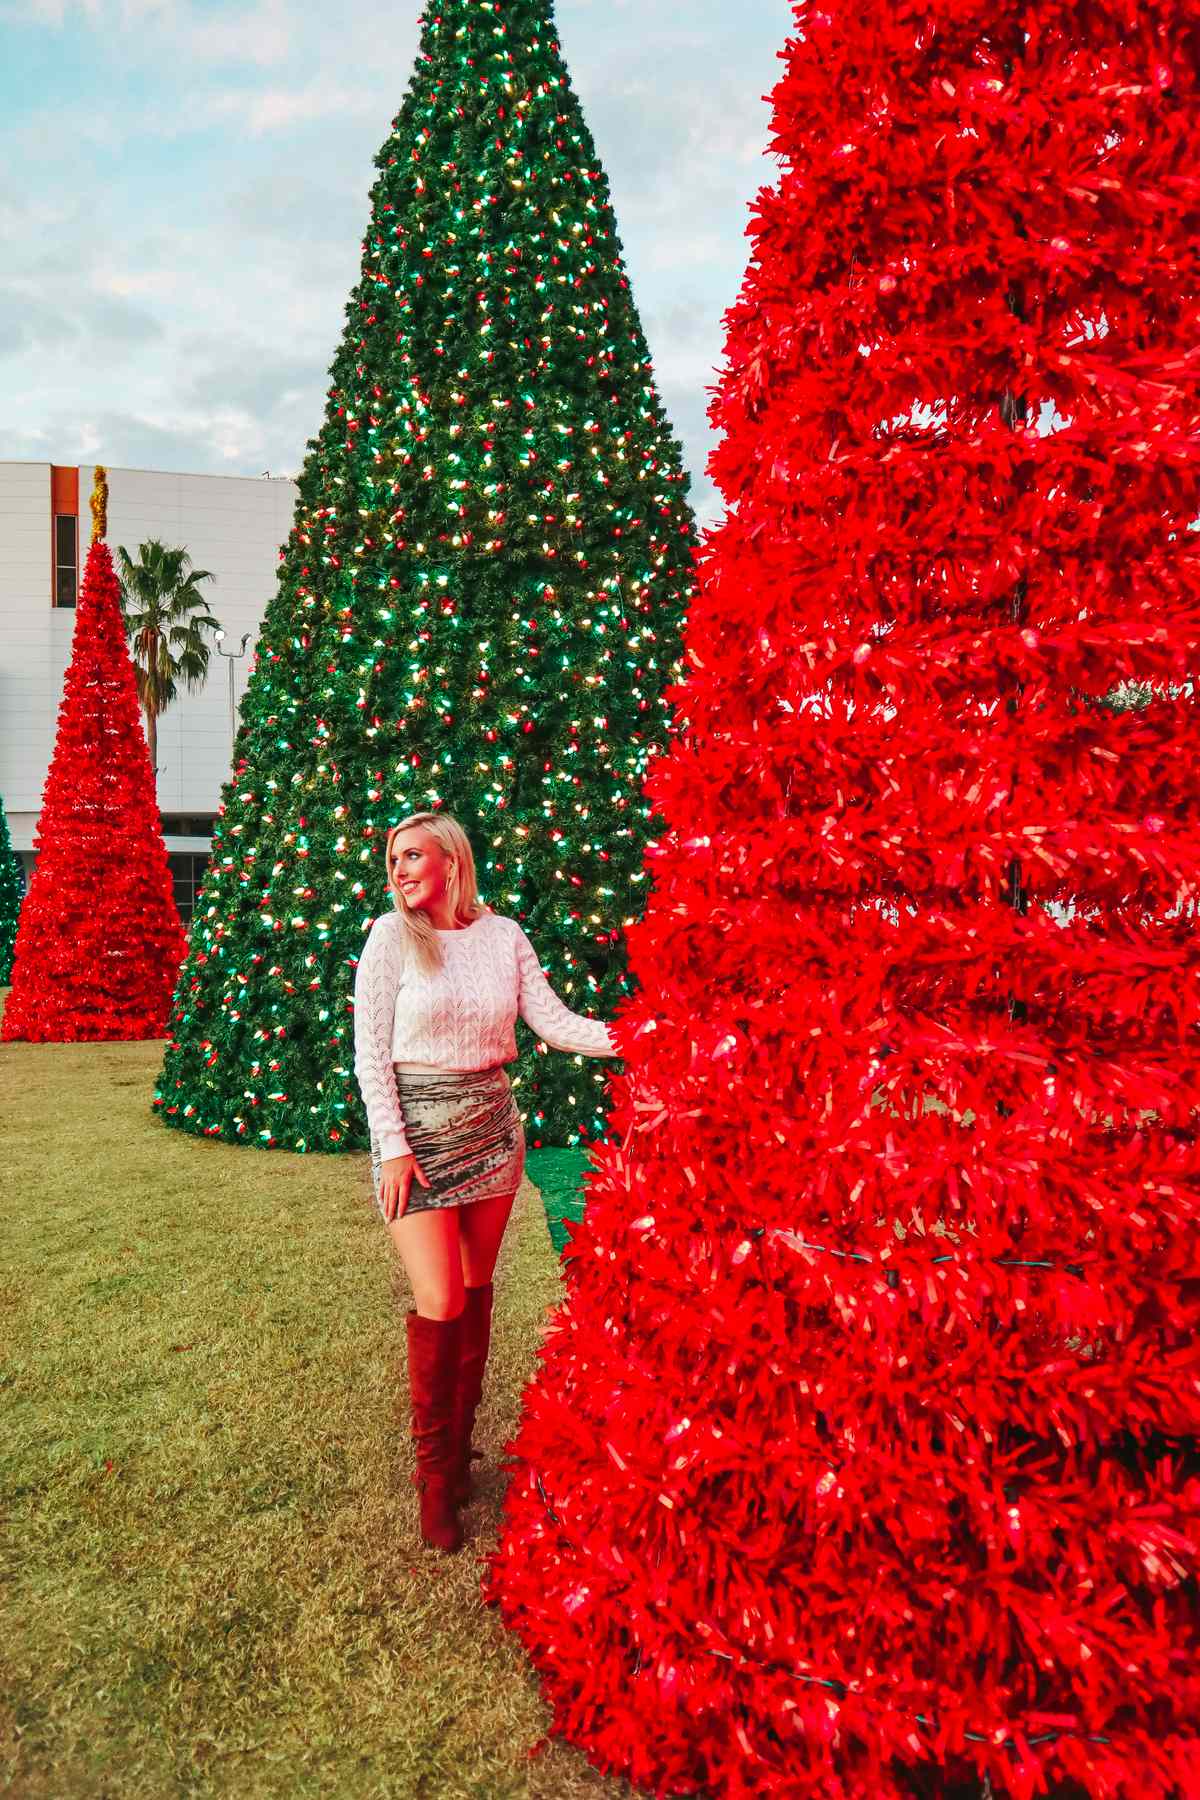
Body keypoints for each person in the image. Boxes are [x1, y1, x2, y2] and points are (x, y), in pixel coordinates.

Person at [353, 809, 619, 1553]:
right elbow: (371, 1057)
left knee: (474, 1289)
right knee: (437, 1300)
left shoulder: (503, 937)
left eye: (413, 855)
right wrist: (395, 1148)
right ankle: (435, 1480)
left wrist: (649, 1033)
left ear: (451, 861)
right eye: (394, 857)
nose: (400, 868)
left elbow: (558, 1024)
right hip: (418, 1134)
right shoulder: (389, 939)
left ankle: (462, 1452)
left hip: (492, 1129)